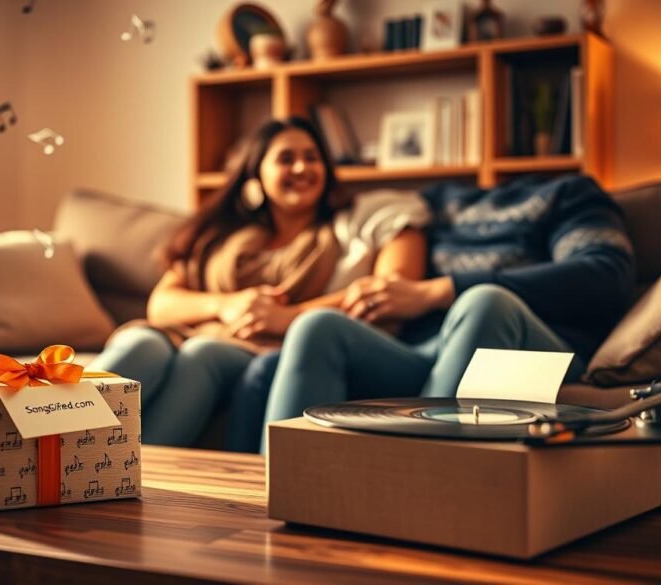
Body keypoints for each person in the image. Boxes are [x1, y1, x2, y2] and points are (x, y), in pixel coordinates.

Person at [89, 117, 432, 446]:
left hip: (244, 347)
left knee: (201, 353)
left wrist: (284, 315)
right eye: (286, 159)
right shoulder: (223, 237)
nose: (302, 168)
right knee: (141, 345)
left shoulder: (333, 238)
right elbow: (161, 304)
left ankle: (139, 468)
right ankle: (48, 437)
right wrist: (226, 305)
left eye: (312, 158)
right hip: (193, 330)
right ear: (256, 176)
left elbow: (389, 288)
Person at [247, 174, 636, 452]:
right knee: (318, 325)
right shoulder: (428, 206)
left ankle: (420, 478)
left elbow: (605, 273)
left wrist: (440, 290)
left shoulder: (570, 194)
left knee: (484, 301)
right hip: (430, 352)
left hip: (534, 350)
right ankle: (279, 495)